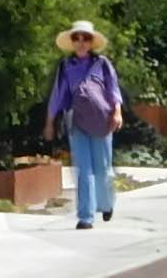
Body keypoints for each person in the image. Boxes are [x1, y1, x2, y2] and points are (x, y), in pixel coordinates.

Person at [44, 20, 124, 228]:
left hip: (102, 121)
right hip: (77, 122)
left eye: (85, 38)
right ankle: (85, 217)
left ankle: (106, 204)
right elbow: (58, 95)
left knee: (103, 169)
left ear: (91, 42)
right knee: (84, 170)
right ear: (72, 41)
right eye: (76, 38)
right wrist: (50, 122)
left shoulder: (102, 64)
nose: (81, 42)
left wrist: (117, 113)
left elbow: (113, 90)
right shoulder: (65, 67)